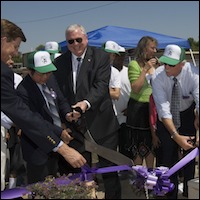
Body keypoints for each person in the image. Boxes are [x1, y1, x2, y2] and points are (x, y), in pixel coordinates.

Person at [1, 19, 86, 186]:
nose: (16, 53)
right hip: (39, 144)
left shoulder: (51, 80)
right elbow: (25, 116)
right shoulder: (18, 86)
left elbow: (60, 100)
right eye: (16, 47)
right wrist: (62, 146)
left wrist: (68, 114)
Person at [53, 24, 121, 199]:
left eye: (78, 40)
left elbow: (100, 87)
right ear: (66, 43)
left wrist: (85, 103)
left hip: (103, 124)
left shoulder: (101, 57)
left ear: (86, 38)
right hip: (75, 126)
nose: (75, 44)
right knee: (79, 173)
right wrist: (66, 113)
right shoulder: (59, 63)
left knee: (109, 172)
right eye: (71, 41)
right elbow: (59, 92)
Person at [151, 44, 199, 199]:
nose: (166, 67)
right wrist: (175, 136)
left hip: (187, 116)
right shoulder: (157, 77)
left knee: (189, 158)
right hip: (166, 121)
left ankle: (189, 192)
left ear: (182, 63)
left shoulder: (193, 73)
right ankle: (170, 194)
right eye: (164, 62)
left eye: (171, 64)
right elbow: (163, 110)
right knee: (167, 158)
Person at [126, 36, 160, 168]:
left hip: (152, 108)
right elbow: (135, 87)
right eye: (152, 48)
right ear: (144, 48)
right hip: (138, 110)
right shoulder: (134, 65)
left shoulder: (155, 65)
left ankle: (151, 180)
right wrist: (145, 69)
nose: (155, 51)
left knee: (151, 146)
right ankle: (138, 183)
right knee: (137, 148)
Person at [111, 45, 132, 157]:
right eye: (117, 55)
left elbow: (135, 93)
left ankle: (126, 172)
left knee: (126, 149)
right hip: (111, 119)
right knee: (112, 151)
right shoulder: (106, 72)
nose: (119, 58)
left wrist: (131, 108)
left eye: (122, 55)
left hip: (126, 118)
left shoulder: (129, 72)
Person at [102, 40, 121, 116]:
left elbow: (116, 94)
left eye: (113, 55)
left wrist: (98, 88)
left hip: (109, 112)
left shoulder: (115, 72)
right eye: (107, 53)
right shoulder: (91, 69)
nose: (110, 57)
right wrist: (109, 90)